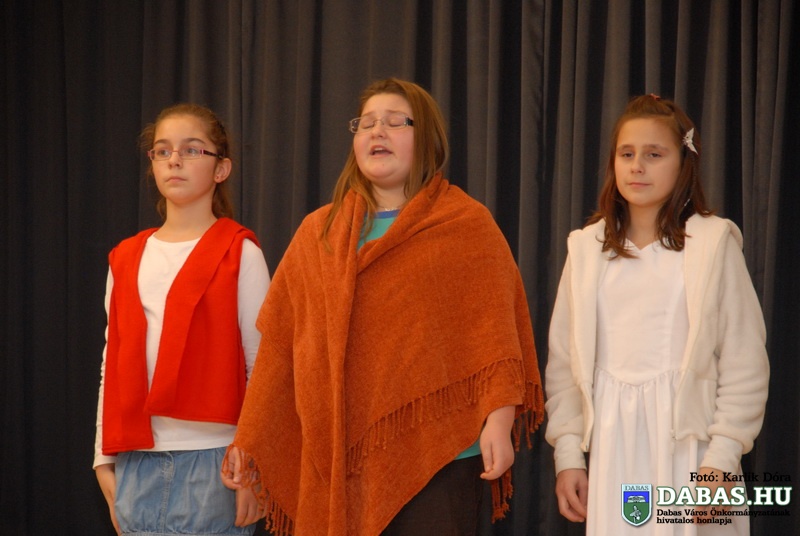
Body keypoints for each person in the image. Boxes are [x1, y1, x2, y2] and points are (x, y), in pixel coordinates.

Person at [221, 77, 543, 535]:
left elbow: (496, 335)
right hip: (337, 460)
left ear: (427, 138)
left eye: (395, 122)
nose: (377, 131)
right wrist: (252, 437)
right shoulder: (318, 233)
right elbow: (280, 347)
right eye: (367, 123)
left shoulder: (467, 225)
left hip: (441, 456)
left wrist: (500, 419)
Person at [545, 94, 769, 535]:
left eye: (654, 154)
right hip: (612, 451)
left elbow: (744, 361)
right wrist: (568, 454)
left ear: (683, 163)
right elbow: (564, 366)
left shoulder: (713, 244)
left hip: (692, 450)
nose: (637, 167)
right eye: (626, 154)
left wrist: (722, 459)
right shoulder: (586, 250)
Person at [93, 103, 270, 536]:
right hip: (136, 460)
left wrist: (255, 463)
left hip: (216, 462)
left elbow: (263, 366)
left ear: (221, 168)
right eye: (163, 150)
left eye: (192, 150)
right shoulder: (126, 257)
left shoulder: (241, 253)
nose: (174, 160)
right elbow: (111, 363)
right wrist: (103, 458)